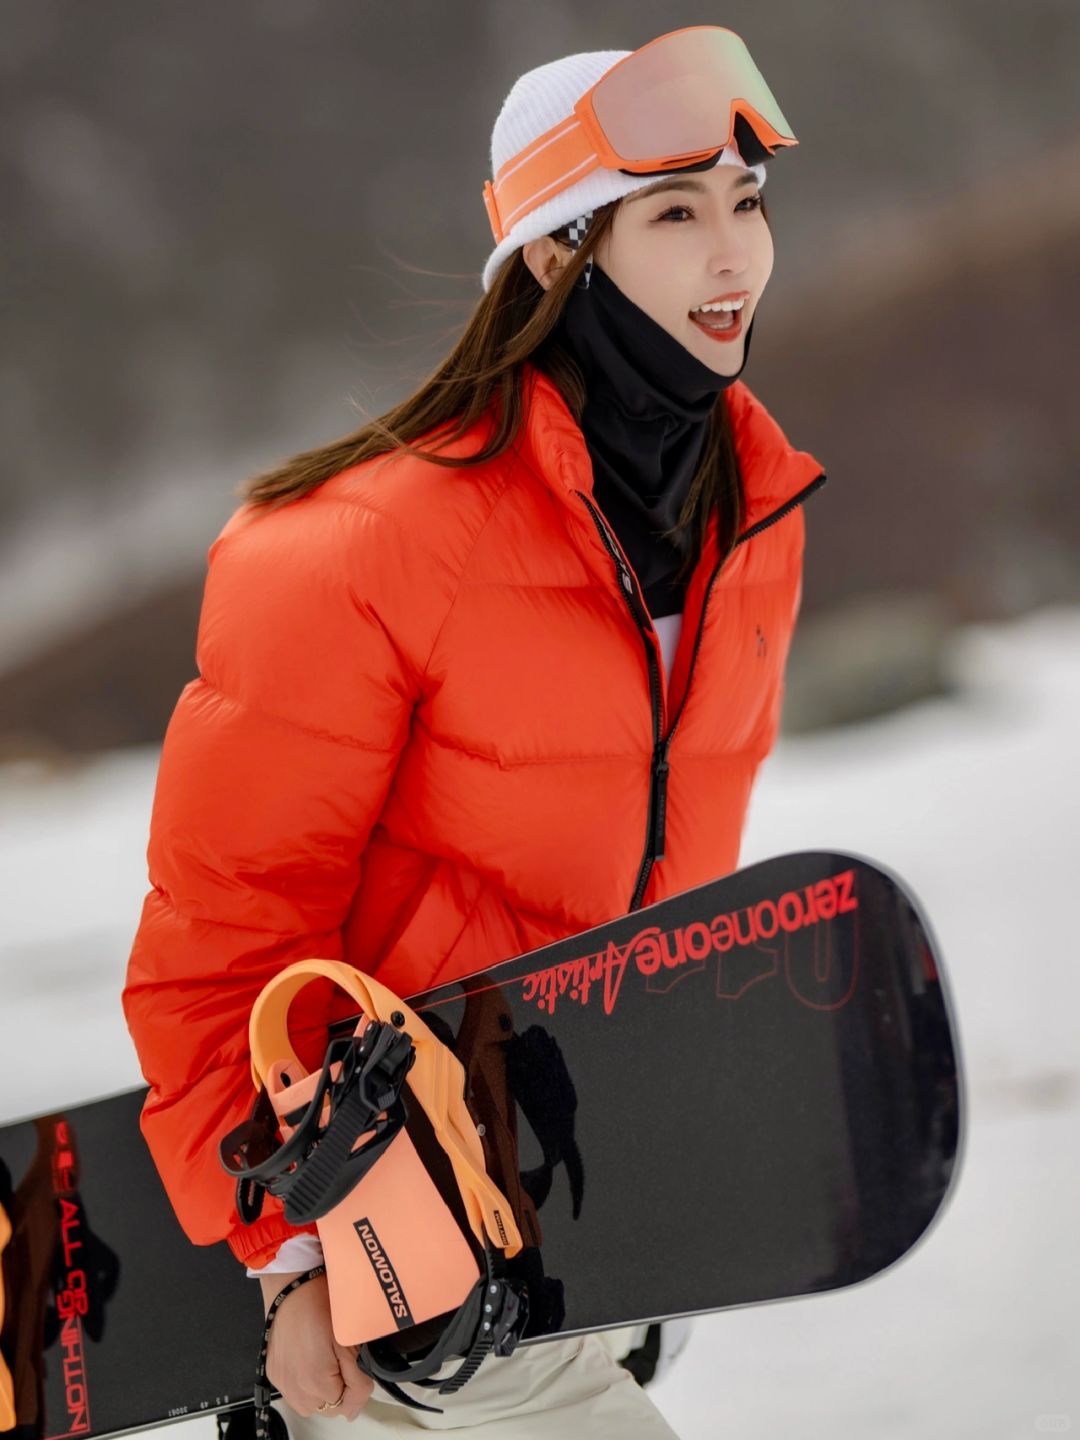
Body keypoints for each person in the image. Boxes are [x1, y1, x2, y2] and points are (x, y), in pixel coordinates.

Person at [122, 25, 826, 1438]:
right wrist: (292, 1251)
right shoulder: (357, 549)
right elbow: (221, 943)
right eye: (674, 215)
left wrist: (657, 1213)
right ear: (559, 252)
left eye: (747, 203)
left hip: (580, 1225)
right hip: (395, 1234)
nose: (734, 254)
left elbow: (654, 893)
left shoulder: (745, 522)